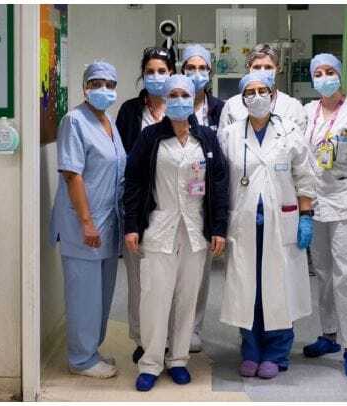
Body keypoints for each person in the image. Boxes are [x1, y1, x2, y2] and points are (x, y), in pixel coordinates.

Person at [123, 75, 229, 392]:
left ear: (194, 96)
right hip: (159, 226)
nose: (181, 99)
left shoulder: (206, 139)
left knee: (187, 297)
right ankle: (151, 362)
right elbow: (134, 183)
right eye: (174, 95)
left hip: (196, 229)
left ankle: (179, 359)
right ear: (166, 100)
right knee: (154, 297)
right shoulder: (150, 137)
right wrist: (131, 225)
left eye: (186, 94)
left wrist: (219, 227)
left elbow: (219, 185)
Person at [218, 71, 316, 379]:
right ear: (242, 97)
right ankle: (250, 349)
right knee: (248, 288)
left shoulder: (290, 132)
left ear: (273, 95)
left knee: (279, 287)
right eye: (251, 91)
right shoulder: (230, 134)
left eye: (263, 90)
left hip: (282, 222)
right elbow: (221, 182)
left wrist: (306, 217)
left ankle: (277, 352)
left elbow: (305, 178)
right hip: (244, 224)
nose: (257, 96)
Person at [49, 61, 126, 379]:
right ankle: (80, 359)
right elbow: (72, 174)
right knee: (84, 295)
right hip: (84, 224)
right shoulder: (74, 120)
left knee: (102, 294)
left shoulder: (107, 120)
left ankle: (91, 350)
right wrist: (86, 221)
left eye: (110, 84)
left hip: (109, 222)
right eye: (96, 83)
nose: (104, 90)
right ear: (84, 87)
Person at [301, 53, 347, 379]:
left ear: (339, 75)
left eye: (329, 72)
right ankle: (329, 335)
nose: (324, 77)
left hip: (345, 200)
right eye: (318, 73)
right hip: (316, 201)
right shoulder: (308, 112)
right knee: (322, 272)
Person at [115, 46, 175, 364]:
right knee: (139, 280)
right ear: (142, 74)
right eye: (150, 71)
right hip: (139, 206)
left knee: (171, 278)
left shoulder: (179, 106)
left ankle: (169, 339)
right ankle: (142, 339)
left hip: (174, 205)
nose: (155, 77)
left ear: (171, 73)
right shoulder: (128, 111)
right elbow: (122, 159)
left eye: (162, 71)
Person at [180, 43, 226, 353]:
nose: (196, 74)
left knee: (200, 271)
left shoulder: (221, 109)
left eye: (202, 68)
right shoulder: (174, 102)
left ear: (210, 72)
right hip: (172, 198)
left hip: (205, 200)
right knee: (170, 270)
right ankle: (171, 329)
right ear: (180, 71)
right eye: (190, 68)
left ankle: (193, 328)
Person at [217, 43, 307, 134]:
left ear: (278, 69)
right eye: (257, 67)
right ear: (249, 69)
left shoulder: (292, 107)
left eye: (268, 67)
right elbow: (223, 142)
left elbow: (300, 144)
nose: (262, 72)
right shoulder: (233, 106)